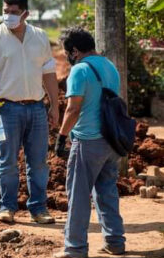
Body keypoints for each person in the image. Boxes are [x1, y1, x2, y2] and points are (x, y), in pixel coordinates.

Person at [0, 0, 59, 224]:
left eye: (14, 13)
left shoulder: (40, 37)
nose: (9, 16)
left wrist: (54, 106)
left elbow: (49, 72)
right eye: (5, 12)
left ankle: (38, 208)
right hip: (6, 110)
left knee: (39, 162)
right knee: (8, 161)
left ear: (26, 13)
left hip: (36, 109)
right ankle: (8, 207)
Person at [54, 27, 125, 258]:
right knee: (106, 191)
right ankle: (115, 241)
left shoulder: (79, 70)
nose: (67, 56)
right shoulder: (110, 66)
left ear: (74, 50)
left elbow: (73, 109)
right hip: (111, 141)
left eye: (67, 51)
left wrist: (61, 137)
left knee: (78, 195)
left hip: (87, 141)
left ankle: (74, 249)